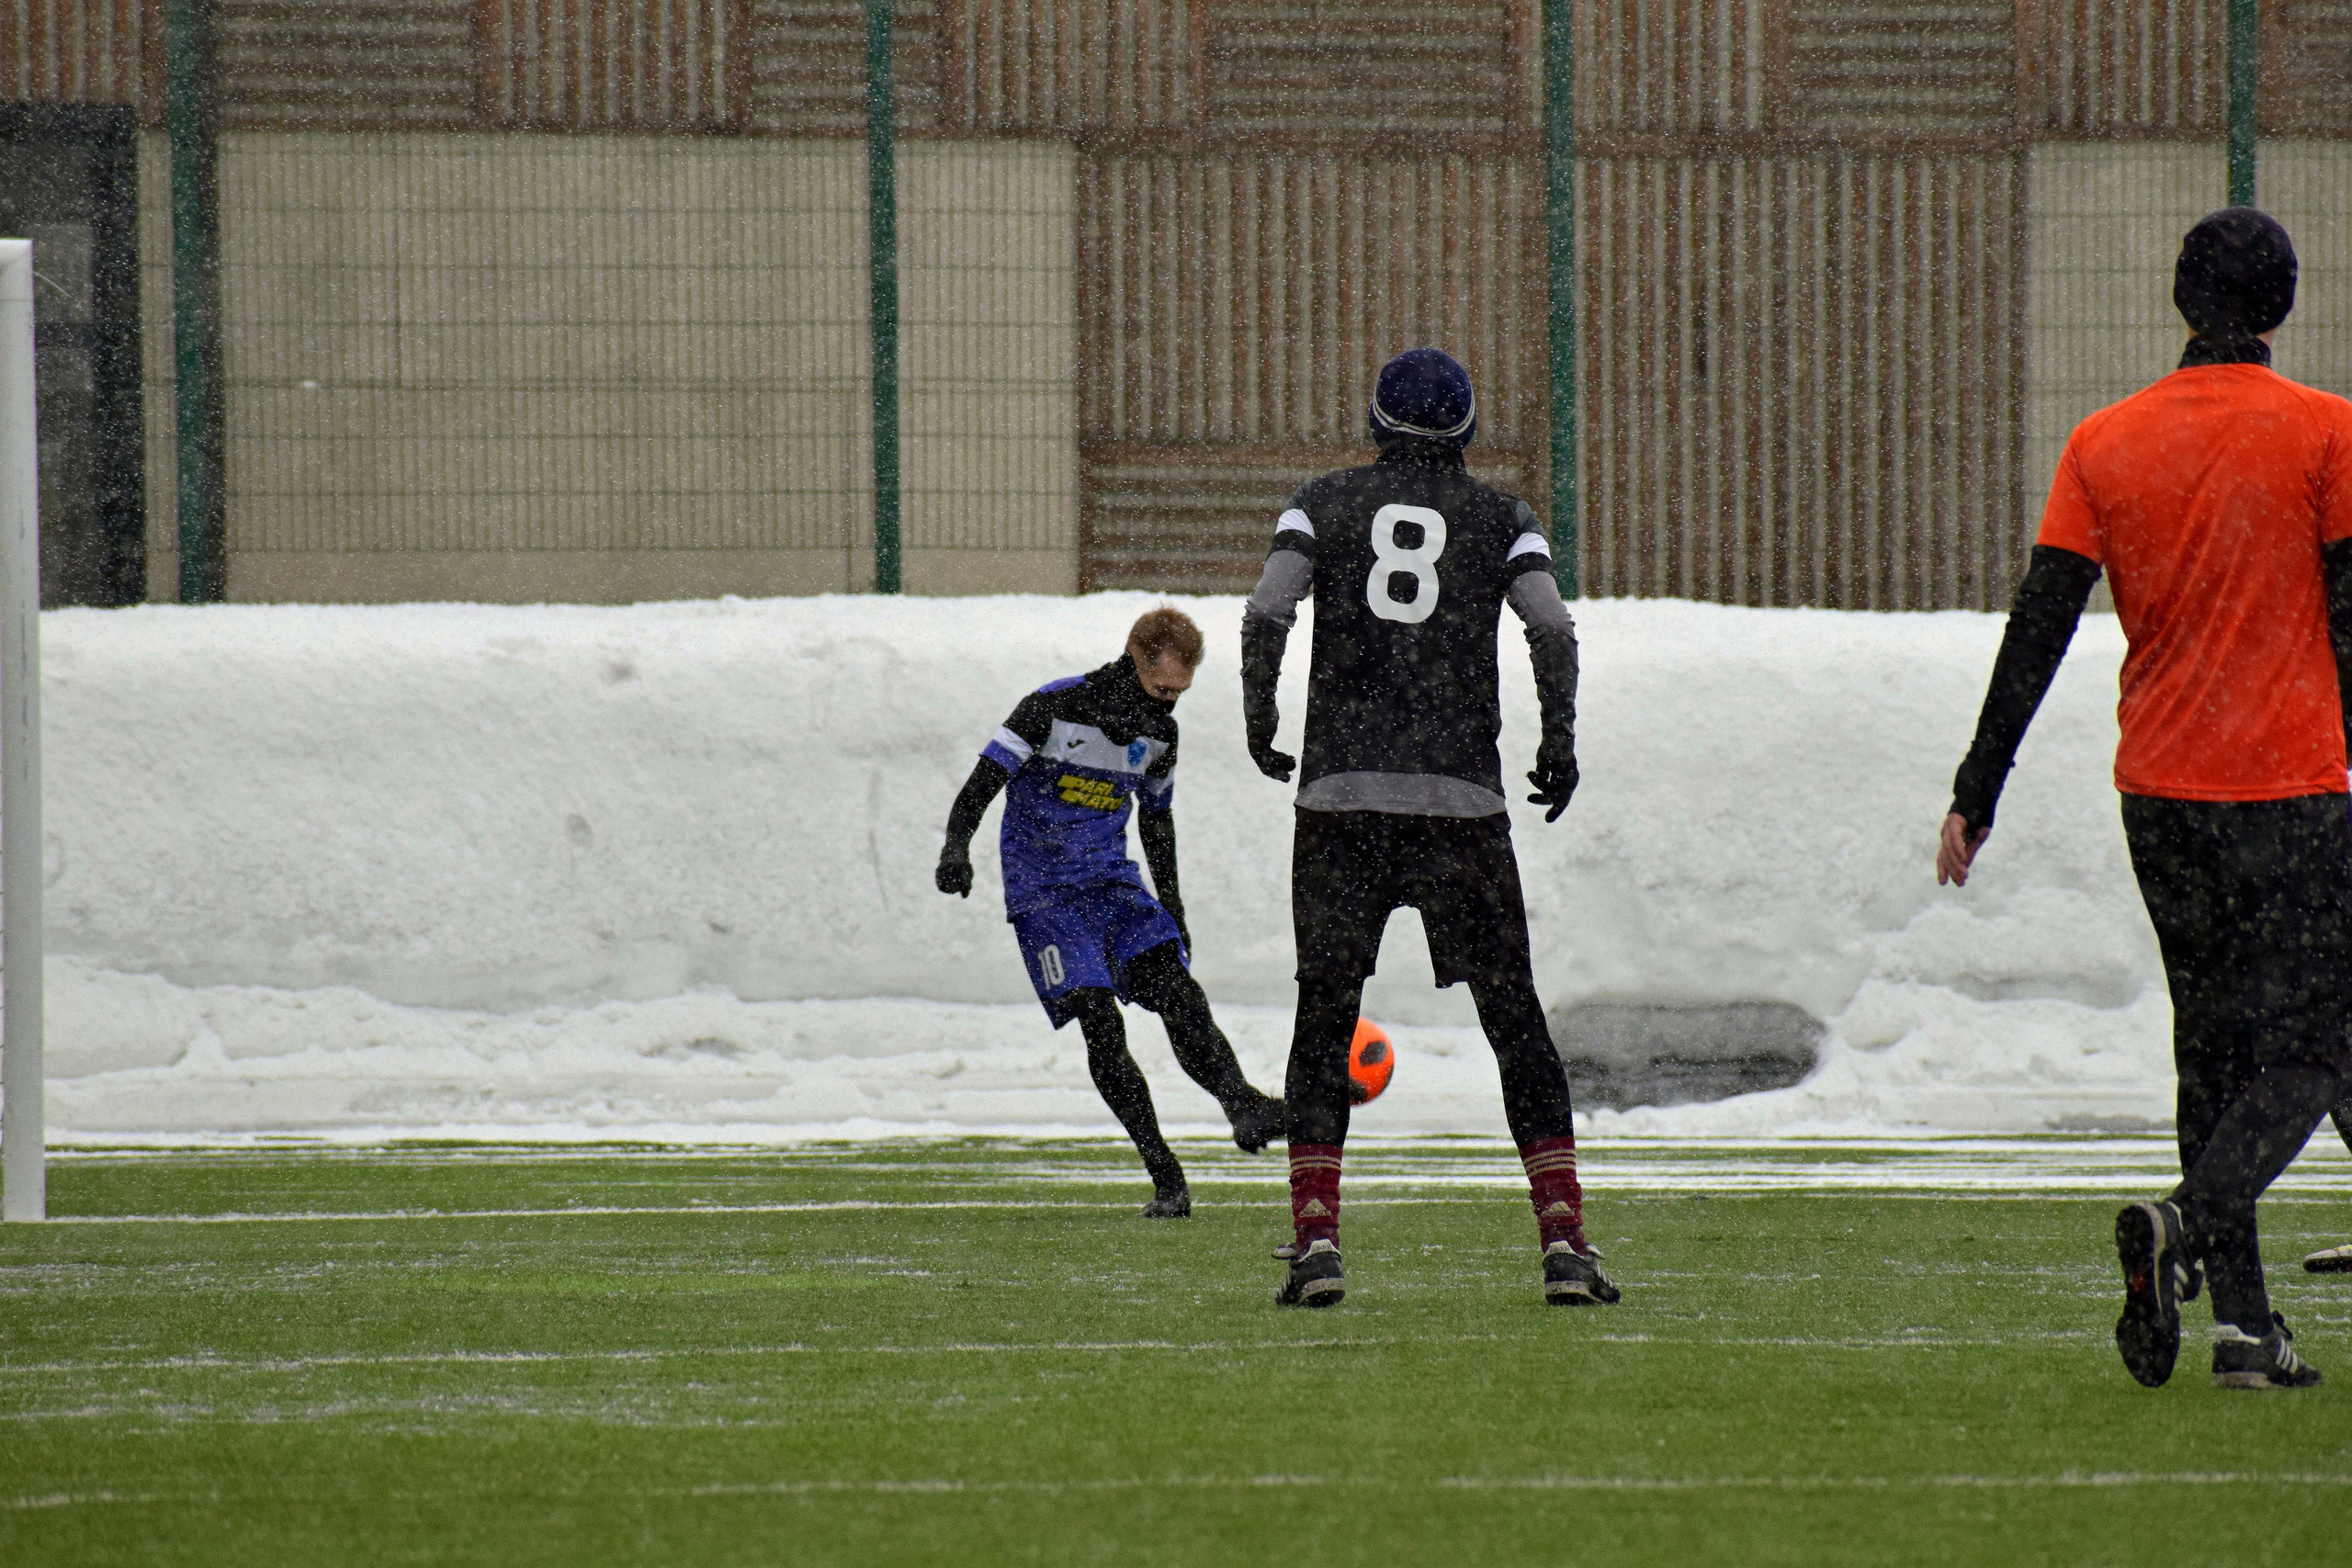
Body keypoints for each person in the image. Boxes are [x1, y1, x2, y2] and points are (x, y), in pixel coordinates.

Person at [1938, 209, 2352, 1390]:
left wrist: (1978, 787)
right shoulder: (2326, 432)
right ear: (2280, 305)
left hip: (2161, 795)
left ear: (2180, 300)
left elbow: (2039, 623)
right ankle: (2185, 1220)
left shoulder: (2103, 441)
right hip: (2290, 788)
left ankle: (2245, 1331)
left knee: (2208, 1052)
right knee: (2317, 1049)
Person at [1240, 346, 1616, 1308]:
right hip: (1460, 804)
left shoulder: (1321, 501)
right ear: (1466, 428)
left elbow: (1270, 606)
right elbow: (1551, 626)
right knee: (1514, 1019)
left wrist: (1260, 714)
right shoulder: (1502, 518)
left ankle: (1316, 1241)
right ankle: (1564, 1240)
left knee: (1324, 1015)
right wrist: (1558, 741)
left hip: (1341, 801)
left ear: (1376, 422)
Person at [935, 606, 1287, 1216]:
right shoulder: (1051, 707)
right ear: (1135, 659)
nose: (1168, 703)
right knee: (1100, 1022)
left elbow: (1157, 822)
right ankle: (1165, 1174)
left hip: (1112, 887)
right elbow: (982, 783)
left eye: (1179, 693)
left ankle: (1242, 1105)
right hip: (1045, 894)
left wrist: (1173, 908)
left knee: (1179, 992)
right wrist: (955, 847)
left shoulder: (1160, 736)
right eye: (1161, 688)